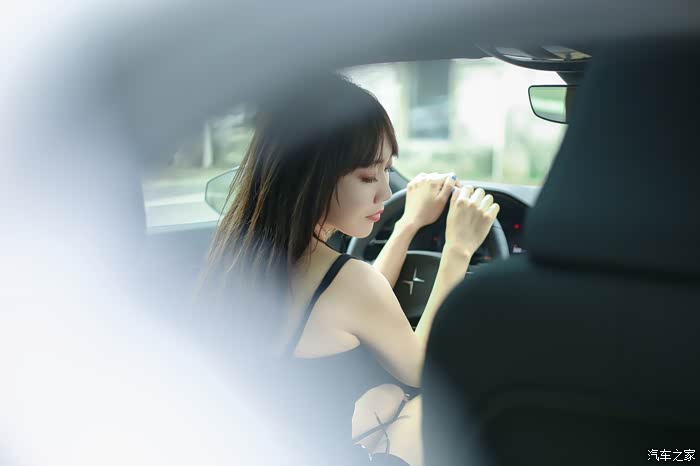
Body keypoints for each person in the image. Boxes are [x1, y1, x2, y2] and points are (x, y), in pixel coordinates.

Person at [199, 74, 499, 466]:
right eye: (368, 176)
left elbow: (357, 299)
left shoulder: (239, 256)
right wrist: (459, 249)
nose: (386, 193)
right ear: (313, 176)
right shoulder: (350, 283)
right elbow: (420, 368)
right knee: (430, 407)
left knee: (385, 398)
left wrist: (407, 224)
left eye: (388, 170)